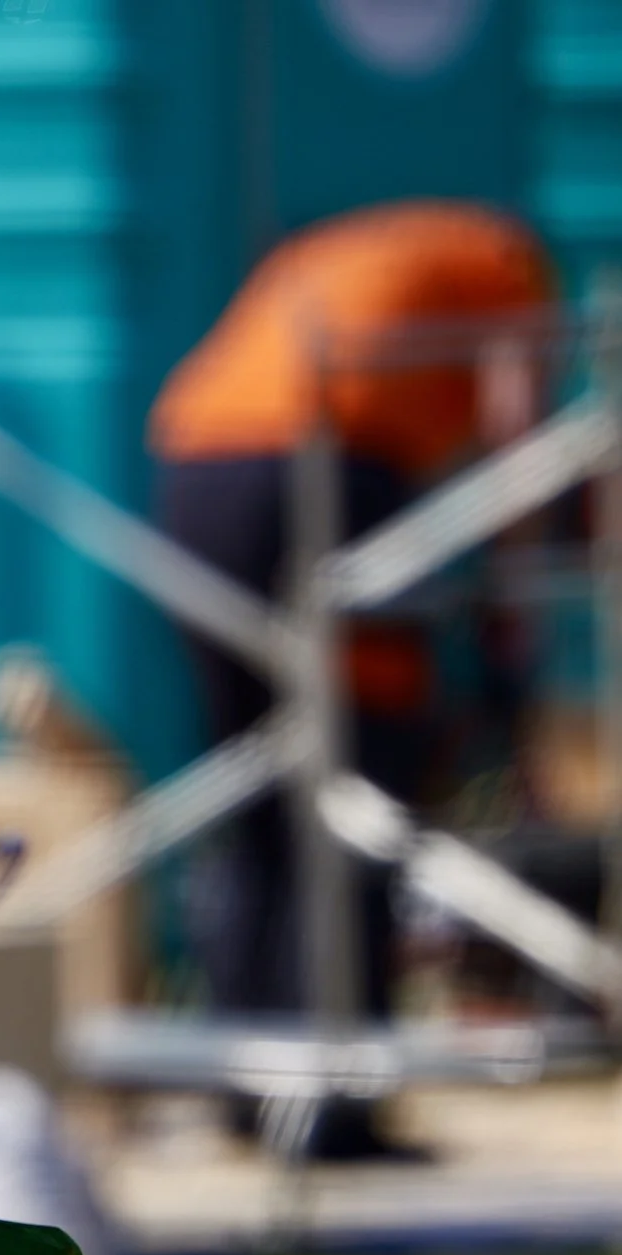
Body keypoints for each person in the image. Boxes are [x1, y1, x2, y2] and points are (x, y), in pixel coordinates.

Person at [148, 200, 554, 1157]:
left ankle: (246, 1087)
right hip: (321, 468)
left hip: (193, 478)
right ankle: (341, 1105)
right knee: (360, 783)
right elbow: (518, 437)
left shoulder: (344, 253)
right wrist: (509, 632)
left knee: (258, 789)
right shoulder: (508, 264)